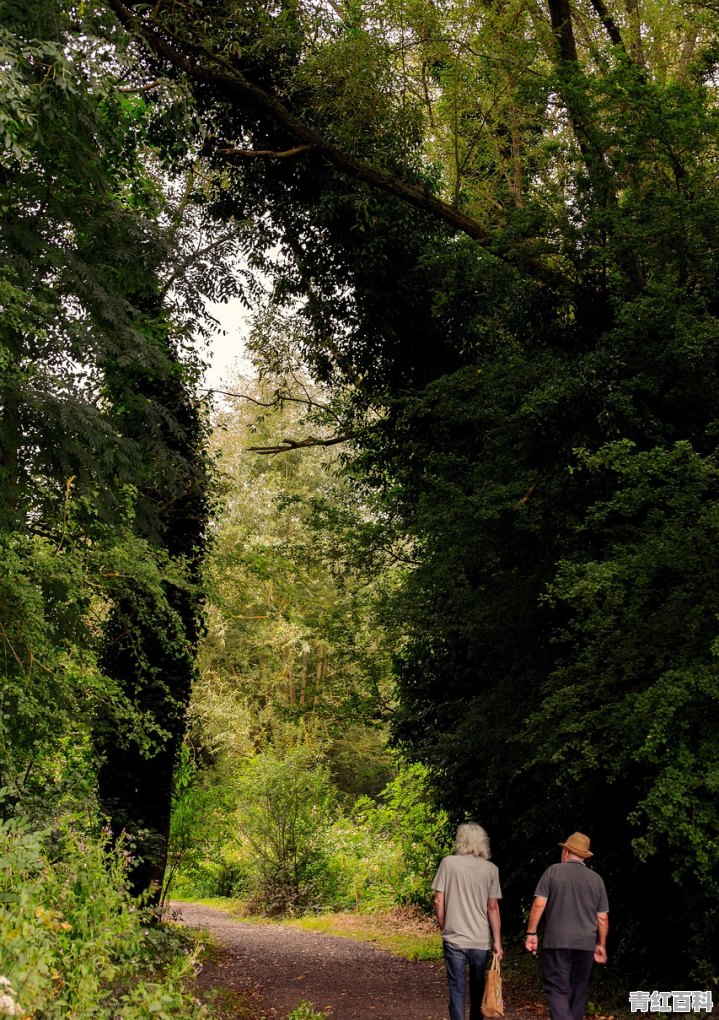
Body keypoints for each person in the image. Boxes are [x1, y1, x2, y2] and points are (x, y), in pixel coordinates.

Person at [524, 831, 609, 1020]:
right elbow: (602, 918)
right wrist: (601, 945)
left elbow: (539, 904)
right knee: (579, 990)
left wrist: (531, 933)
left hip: (557, 942)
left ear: (566, 852)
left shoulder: (553, 872)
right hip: (586, 945)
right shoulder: (596, 880)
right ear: (584, 856)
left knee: (557, 988)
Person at [432, 822, 503, 1020]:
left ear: (461, 841)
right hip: (480, 940)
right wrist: (497, 941)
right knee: (478, 989)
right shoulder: (491, 869)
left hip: (454, 939)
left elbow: (439, 901)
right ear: (482, 843)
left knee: (457, 988)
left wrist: (445, 927)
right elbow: (493, 907)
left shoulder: (448, 863)